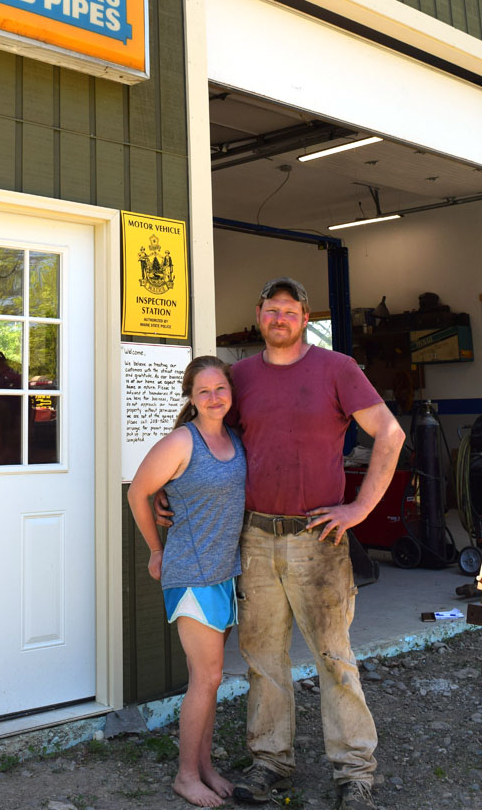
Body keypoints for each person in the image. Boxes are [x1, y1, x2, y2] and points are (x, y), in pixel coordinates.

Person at [156, 278, 405, 810]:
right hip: (254, 538)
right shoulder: (239, 376)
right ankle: (271, 764)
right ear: (259, 314)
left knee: (334, 657)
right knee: (263, 657)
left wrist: (359, 509)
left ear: (304, 316)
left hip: (318, 538)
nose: (279, 319)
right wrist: (175, 494)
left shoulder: (338, 369)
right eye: (271, 311)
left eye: (289, 311)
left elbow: (390, 433)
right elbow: (205, 435)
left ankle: (355, 772)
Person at [128, 356, 246, 808]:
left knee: (212, 680)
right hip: (191, 573)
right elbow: (138, 491)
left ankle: (205, 767)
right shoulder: (182, 441)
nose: (214, 397)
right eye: (203, 391)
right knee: (207, 676)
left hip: (224, 572)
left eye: (221, 389)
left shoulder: (233, 438)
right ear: (191, 398)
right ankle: (184, 776)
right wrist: (156, 549)